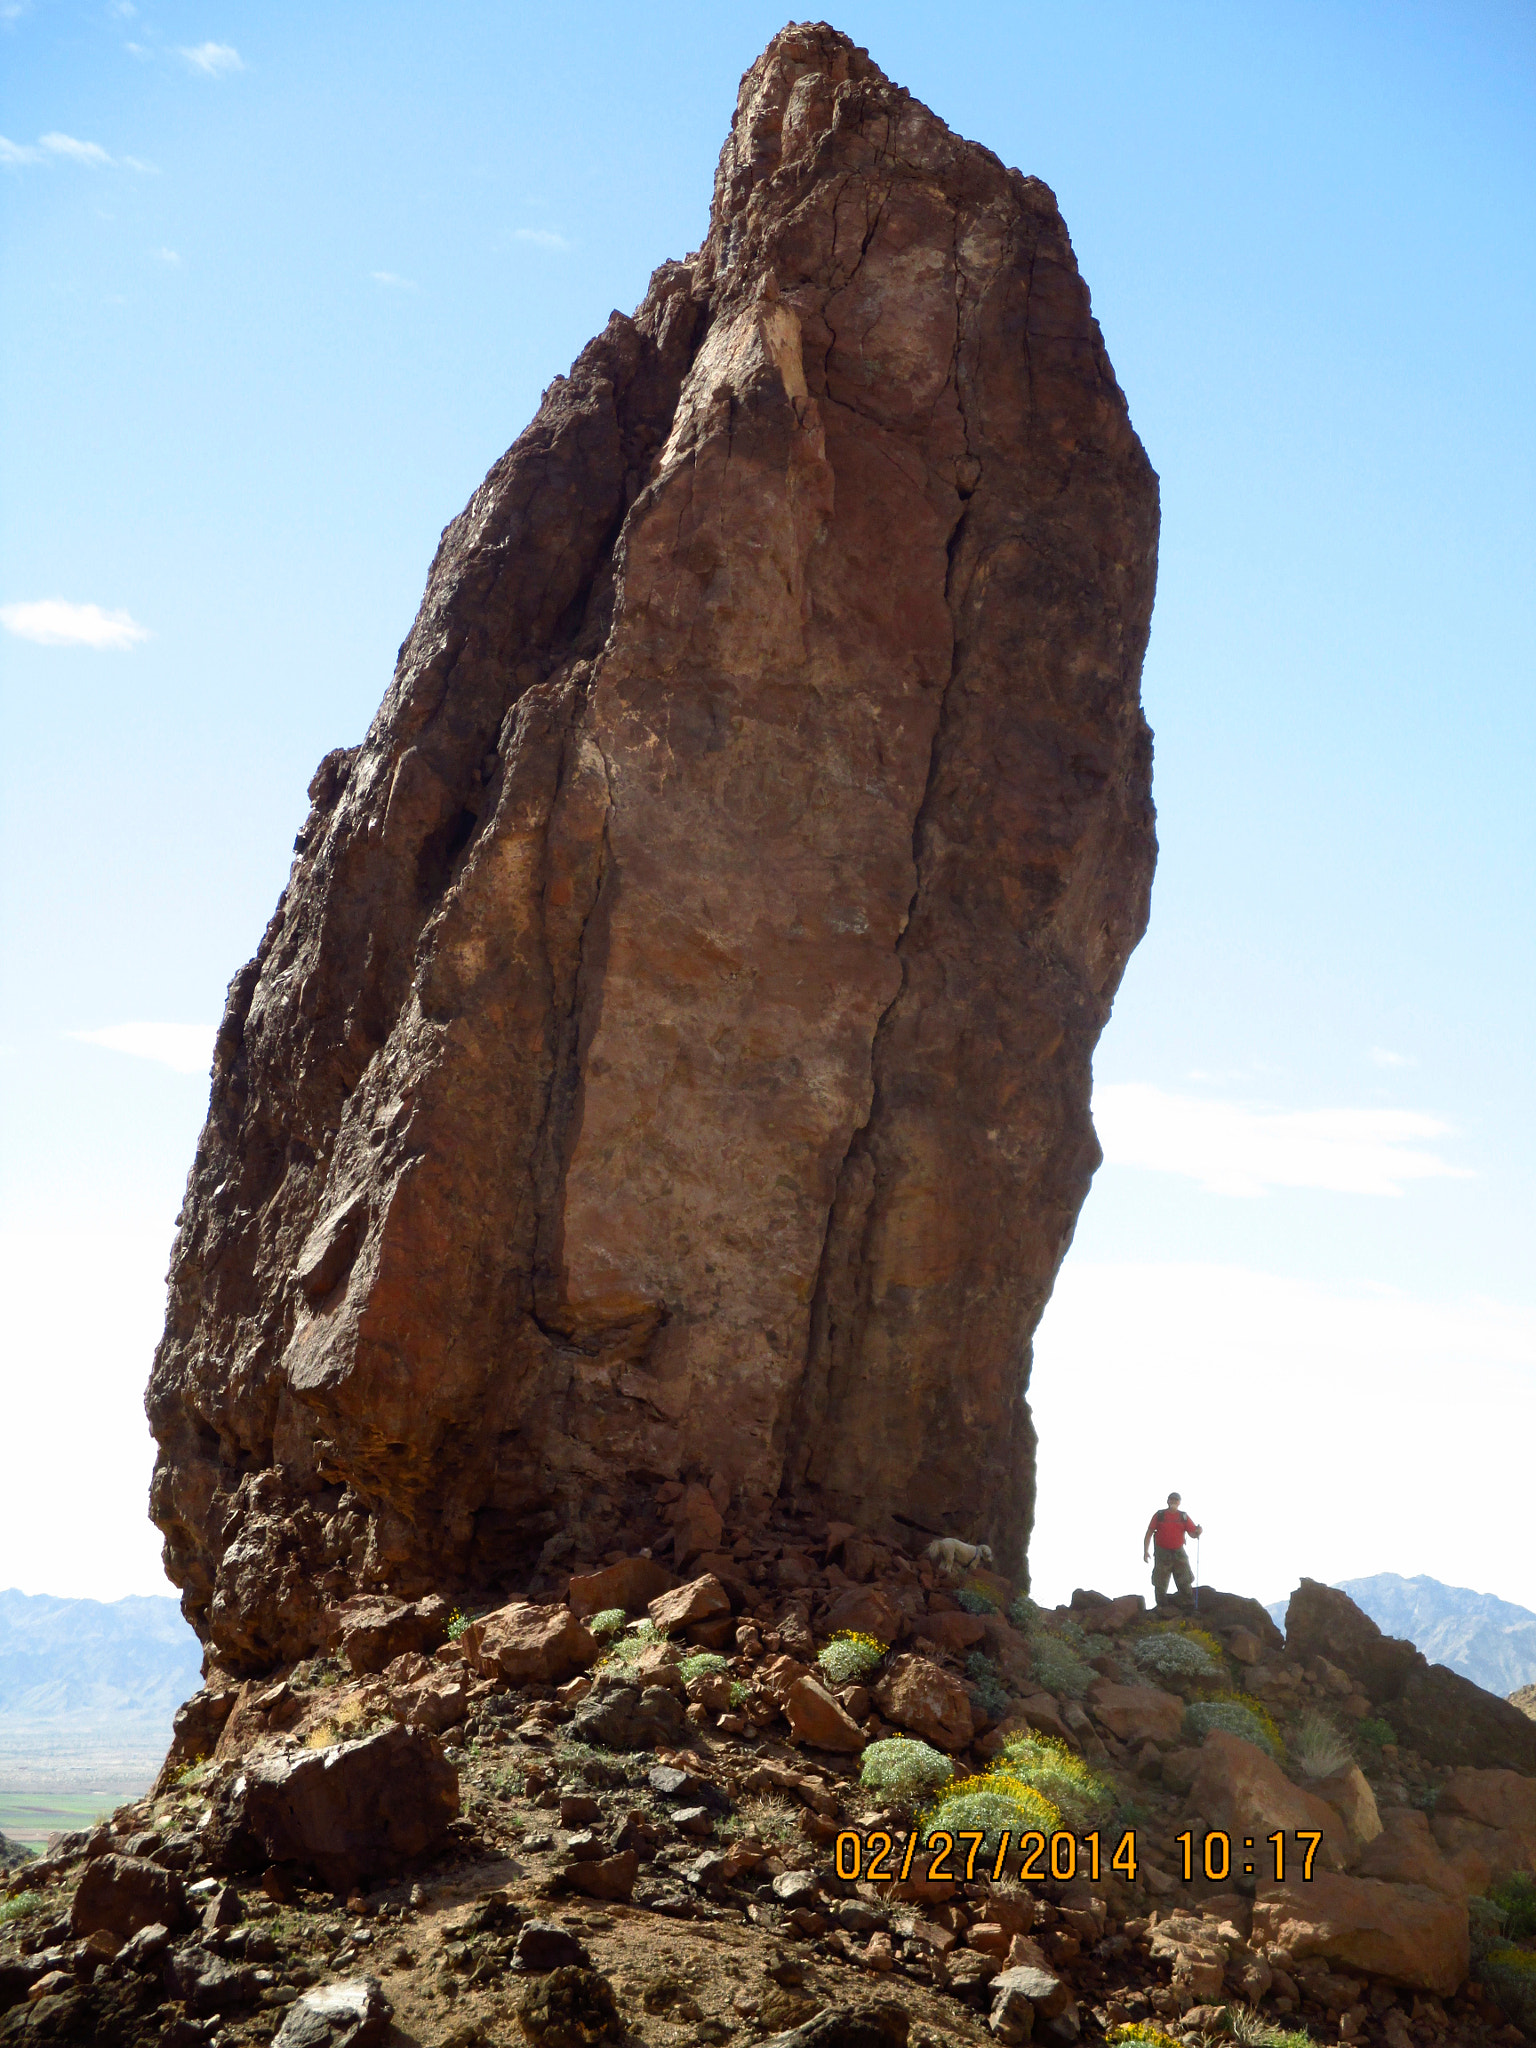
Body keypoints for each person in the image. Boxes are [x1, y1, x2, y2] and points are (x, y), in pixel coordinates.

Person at [1143, 1492, 1202, 1609]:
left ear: (1179, 1502)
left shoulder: (1183, 1517)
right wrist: (1146, 1551)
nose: (1173, 1502)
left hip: (1178, 1552)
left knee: (1184, 1578)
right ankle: (1162, 1606)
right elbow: (1149, 1533)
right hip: (1162, 1553)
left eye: (1176, 1500)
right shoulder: (1159, 1515)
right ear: (1168, 1501)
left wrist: (1198, 1532)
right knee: (1160, 1580)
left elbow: (1192, 1534)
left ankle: (1188, 1605)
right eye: (1172, 1499)